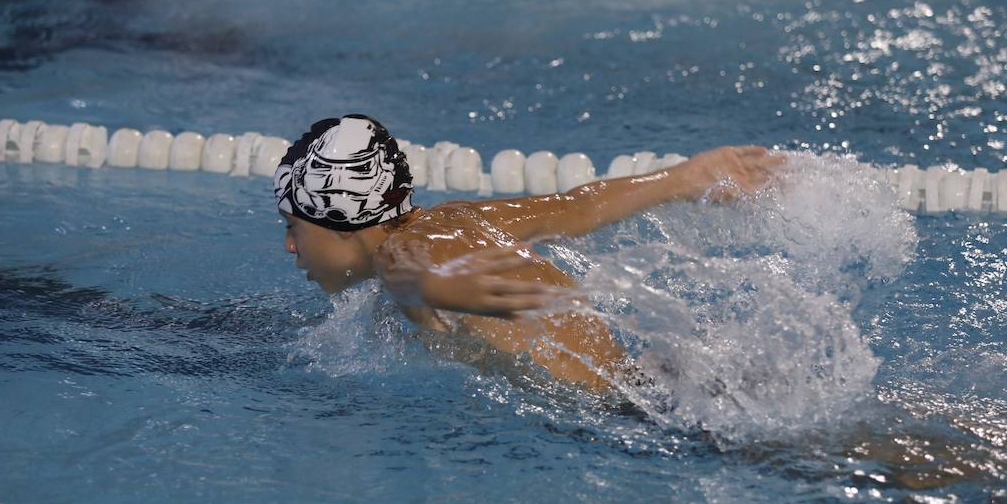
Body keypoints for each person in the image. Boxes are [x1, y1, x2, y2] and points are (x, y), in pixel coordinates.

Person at [275, 114, 783, 390]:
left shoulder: (400, 251)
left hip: (634, 412)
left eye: (295, 225)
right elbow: (578, 205)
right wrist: (682, 177)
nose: (291, 245)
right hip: (655, 378)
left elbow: (404, 272)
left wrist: (437, 287)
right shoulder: (459, 217)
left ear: (341, 225)